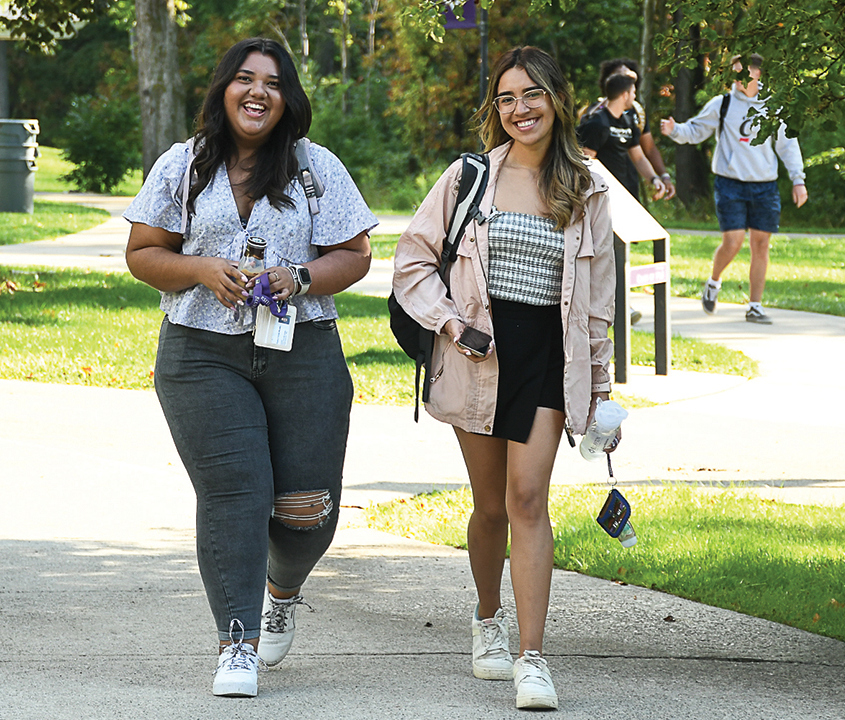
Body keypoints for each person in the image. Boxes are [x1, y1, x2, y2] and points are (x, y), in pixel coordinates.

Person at [123, 37, 376, 698]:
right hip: (201, 353)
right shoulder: (183, 165)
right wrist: (203, 270)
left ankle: (281, 588)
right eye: (244, 79)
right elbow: (143, 253)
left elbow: (354, 255)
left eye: (271, 82)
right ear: (224, 90)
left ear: (288, 97)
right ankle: (237, 641)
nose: (256, 91)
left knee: (306, 512)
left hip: (304, 353)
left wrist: (298, 277)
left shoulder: (315, 168)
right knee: (236, 494)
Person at [392, 46, 617, 711]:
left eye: (532, 95)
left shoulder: (588, 186)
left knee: (528, 500)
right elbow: (411, 261)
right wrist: (452, 324)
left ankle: (533, 657)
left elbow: (598, 298)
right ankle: (487, 618)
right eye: (507, 99)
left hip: (549, 362)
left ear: (557, 99)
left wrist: (601, 394)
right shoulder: (470, 178)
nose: (520, 109)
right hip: (477, 357)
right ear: (496, 109)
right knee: (490, 507)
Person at [661, 53, 809, 324]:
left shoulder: (773, 108)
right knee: (733, 241)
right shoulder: (723, 104)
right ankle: (714, 282)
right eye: (736, 73)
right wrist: (674, 130)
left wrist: (798, 180)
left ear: (758, 74)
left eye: (745, 73)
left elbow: (788, 145)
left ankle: (755, 306)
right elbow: (695, 130)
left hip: (764, 185)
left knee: (761, 244)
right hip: (730, 184)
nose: (740, 79)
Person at [585, 58, 676, 199]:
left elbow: (640, 156)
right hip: (602, 193)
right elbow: (586, 161)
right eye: (632, 92)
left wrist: (655, 178)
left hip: (628, 187)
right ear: (624, 94)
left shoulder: (630, 120)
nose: (635, 96)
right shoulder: (596, 121)